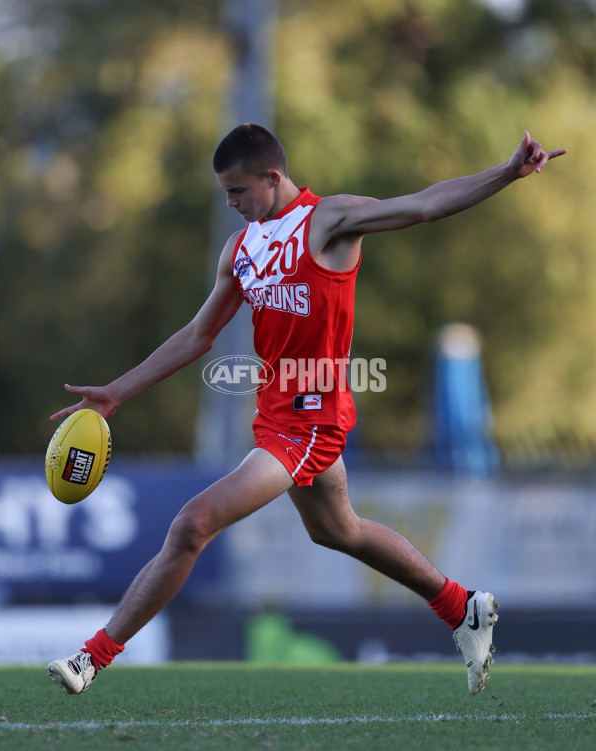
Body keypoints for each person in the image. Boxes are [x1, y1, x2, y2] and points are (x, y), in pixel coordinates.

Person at [46, 124, 566, 696]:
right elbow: (199, 335)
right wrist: (117, 391)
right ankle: (463, 607)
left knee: (193, 523)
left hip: (315, 419)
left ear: (272, 177)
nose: (232, 204)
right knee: (337, 529)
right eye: (224, 193)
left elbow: (422, 205)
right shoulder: (242, 248)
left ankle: (91, 658)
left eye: (238, 191)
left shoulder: (330, 220)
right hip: (276, 416)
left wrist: (505, 173)